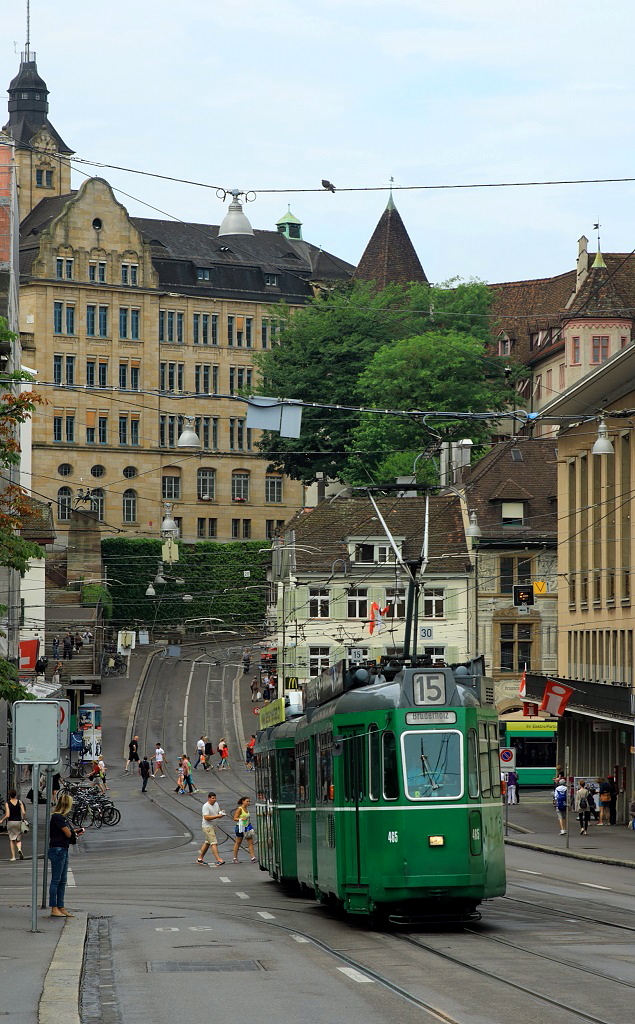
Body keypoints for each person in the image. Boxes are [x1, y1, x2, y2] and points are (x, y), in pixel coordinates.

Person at [48, 794, 83, 917]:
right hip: (57, 849)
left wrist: (75, 832)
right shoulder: (57, 817)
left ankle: (61, 906)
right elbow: (68, 834)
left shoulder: (62, 818)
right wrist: (73, 833)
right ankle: (54, 907)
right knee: (56, 880)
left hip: (63, 849)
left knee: (63, 880)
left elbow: (69, 833)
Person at [197, 792, 226, 866]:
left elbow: (218, 812)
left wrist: (221, 813)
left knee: (207, 842)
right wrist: (217, 816)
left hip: (213, 826)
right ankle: (219, 859)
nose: (214, 800)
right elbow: (206, 817)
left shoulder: (216, 804)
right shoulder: (206, 806)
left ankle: (200, 858)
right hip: (207, 827)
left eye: (215, 798)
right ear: (209, 798)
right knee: (213, 842)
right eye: (213, 798)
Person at [1, 789, 27, 860]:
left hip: (11, 822)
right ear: (15, 795)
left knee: (12, 839)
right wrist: (23, 819)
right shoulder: (19, 802)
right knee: (18, 839)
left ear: (9, 795)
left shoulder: (7, 803)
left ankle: (13, 857)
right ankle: (19, 849)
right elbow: (23, 812)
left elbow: (8, 815)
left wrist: (2, 820)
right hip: (18, 822)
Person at [232, 796, 256, 863]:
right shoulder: (240, 809)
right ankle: (234, 857)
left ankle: (253, 857)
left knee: (250, 842)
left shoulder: (246, 809)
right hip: (240, 827)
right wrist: (241, 819)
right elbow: (234, 818)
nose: (248, 803)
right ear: (243, 801)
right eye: (247, 801)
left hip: (247, 827)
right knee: (238, 842)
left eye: (249, 801)